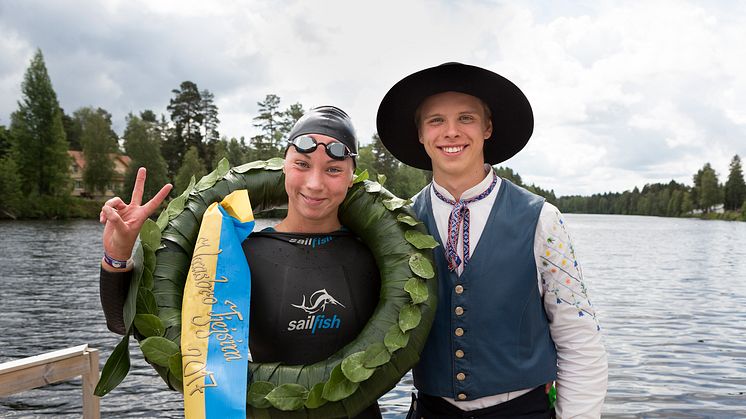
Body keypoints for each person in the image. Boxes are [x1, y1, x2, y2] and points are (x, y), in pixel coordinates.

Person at [99, 106, 382, 418]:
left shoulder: (371, 256)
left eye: (333, 170)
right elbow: (122, 322)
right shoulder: (238, 255)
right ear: (284, 167)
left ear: (350, 177)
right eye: (302, 164)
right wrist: (119, 253)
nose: (315, 184)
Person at [376, 63, 608, 418]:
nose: (451, 132)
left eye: (466, 118)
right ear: (421, 134)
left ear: (487, 128)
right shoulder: (399, 224)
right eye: (436, 121)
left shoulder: (542, 219)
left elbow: (579, 337)